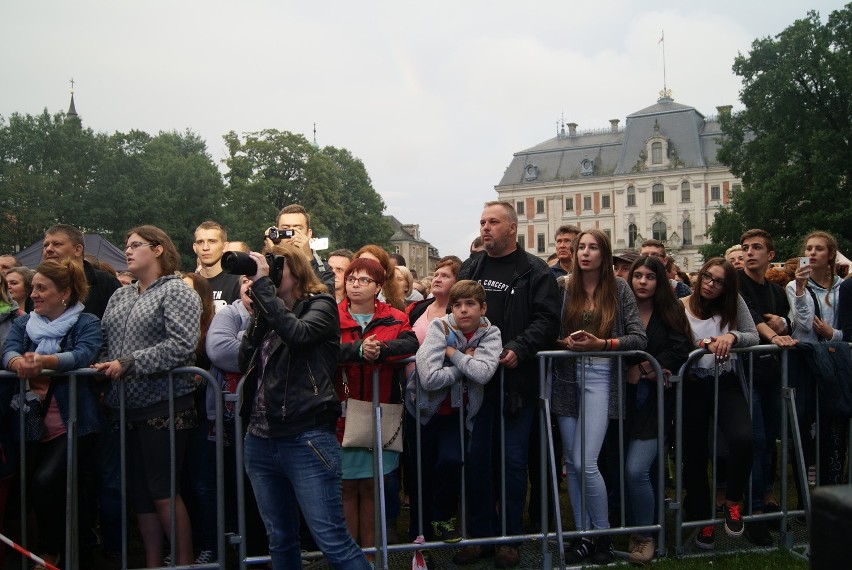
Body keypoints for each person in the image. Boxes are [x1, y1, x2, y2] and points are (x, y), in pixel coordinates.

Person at [237, 241, 369, 569]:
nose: (263, 276)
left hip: (305, 438)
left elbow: (297, 335)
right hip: (260, 440)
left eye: (273, 268)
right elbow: (244, 360)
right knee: (279, 538)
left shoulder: (320, 305)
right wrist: (261, 311)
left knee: (332, 540)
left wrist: (265, 291)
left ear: (294, 271)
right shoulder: (270, 311)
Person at [454, 201, 560, 568]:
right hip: (477, 385)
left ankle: (509, 539)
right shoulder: (472, 267)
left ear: (512, 227)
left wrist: (520, 347)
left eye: (493, 222)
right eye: (482, 221)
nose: (485, 228)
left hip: (517, 384)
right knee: (478, 461)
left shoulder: (534, 270)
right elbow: (456, 311)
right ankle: (481, 537)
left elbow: (548, 320)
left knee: (514, 462)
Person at [94, 225, 201, 567]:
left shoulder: (178, 292)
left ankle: (182, 563)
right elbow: (105, 341)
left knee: (163, 493)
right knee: (140, 496)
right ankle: (153, 564)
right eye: (126, 245)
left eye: (136, 245)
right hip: (124, 409)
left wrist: (129, 364)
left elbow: (182, 346)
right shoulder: (120, 295)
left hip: (165, 406)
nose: (127, 250)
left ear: (158, 250)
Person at [551, 229, 646, 565]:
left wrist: (602, 344)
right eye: (581, 248)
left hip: (603, 376)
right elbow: (551, 333)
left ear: (604, 254)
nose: (585, 253)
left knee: (587, 463)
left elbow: (638, 338)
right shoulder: (563, 287)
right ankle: (584, 536)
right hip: (565, 377)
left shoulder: (619, 288)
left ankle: (601, 534)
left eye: (592, 248)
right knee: (573, 466)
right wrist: (566, 343)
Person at [3, 259, 103, 570]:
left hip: (73, 423)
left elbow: (86, 353)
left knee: (47, 483)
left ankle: (53, 552)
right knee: (34, 486)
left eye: (42, 288)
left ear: (65, 293)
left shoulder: (85, 321)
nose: (33, 294)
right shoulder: (23, 323)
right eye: (32, 287)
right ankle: (66, 548)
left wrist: (47, 361)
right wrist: (18, 363)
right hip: (28, 423)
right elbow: (9, 350)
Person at [405, 280, 502, 544]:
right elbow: (429, 377)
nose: (463, 310)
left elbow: (483, 373)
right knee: (420, 471)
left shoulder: (491, 333)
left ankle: (441, 516)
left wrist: (452, 354)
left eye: (470, 304)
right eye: (457, 305)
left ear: (483, 308)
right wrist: (465, 362)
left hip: (457, 414)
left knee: (452, 460)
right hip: (424, 410)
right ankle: (418, 532)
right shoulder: (440, 326)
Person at [336, 257, 418, 558]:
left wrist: (380, 350)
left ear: (378, 286)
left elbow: (410, 344)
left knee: (372, 488)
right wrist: (358, 351)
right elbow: (325, 349)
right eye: (351, 279)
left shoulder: (395, 317)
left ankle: (369, 557)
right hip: (341, 419)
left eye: (364, 280)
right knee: (346, 489)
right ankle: (349, 559)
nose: (355, 284)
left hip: (381, 412)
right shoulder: (331, 316)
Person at [681, 258, 758, 550]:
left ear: (728, 286)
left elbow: (752, 334)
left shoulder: (733, 303)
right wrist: (699, 347)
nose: (710, 285)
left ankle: (733, 501)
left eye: (718, 281)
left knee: (743, 436)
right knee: (695, 455)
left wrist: (731, 336)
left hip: (725, 381)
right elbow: (675, 343)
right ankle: (703, 522)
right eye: (707, 277)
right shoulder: (681, 304)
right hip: (692, 384)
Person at [623, 255, 690, 564]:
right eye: (638, 276)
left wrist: (648, 369)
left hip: (657, 402)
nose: (643, 282)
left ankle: (644, 535)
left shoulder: (671, 310)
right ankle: (648, 524)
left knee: (636, 469)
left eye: (650, 276)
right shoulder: (621, 310)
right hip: (622, 400)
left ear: (659, 280)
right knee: (642, 470)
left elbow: (680, 348)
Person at [738, 229, 797, 546]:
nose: (749, 252)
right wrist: (774, 335)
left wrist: (783, 326)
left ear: (770, 254)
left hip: (772, 375)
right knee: (756, 440)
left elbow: (785, 318)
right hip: (748, 376)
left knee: (771, 440)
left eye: (756, 248)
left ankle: (768, 498)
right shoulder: (738, 284)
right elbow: (754, 319)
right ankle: (754, 510)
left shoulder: (775, 290)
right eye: (746, 247)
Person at [786, 231, 847, 486]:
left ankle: (833, 479)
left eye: (818, 249)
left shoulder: (843, 287)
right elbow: (802, 323)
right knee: (806, 421)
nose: (811, 253)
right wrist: (800, 289)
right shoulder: (794, 285)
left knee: (835, 422)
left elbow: (845, 329)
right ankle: (806, 484)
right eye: (808, 248)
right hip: (806, 362)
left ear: (830, 254)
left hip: (836, 362)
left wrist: (833, 334)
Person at [179, 271, 218, 564]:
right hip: (172, 414)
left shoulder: (211, 327)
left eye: (187, 291)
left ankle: (210, 545)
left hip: (202, 415)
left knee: (202, 483)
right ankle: (182, 547)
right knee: (177, 484)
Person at [42, 224, 121, 319]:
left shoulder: (105, 283)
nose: (48, 249)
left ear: (77, 250)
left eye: (57, 244)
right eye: (45, 245)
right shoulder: (38, 285)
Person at [269, 204, 335, 291]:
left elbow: (325, 298)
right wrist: (271, 249)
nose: (292, 235)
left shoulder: (324, 269)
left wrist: (308, 259)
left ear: (309, 234)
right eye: (285, 229)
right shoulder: (267, 264)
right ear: (277, 233)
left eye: (298, 229)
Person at [193, 221, 241, 313]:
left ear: (225, 246)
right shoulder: (189, 284)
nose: (205, 247)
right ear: (195, 248)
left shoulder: (237, 282)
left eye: (212, 241)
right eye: (200, 242)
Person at [353, 245, 406, 311]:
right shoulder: (342, 304)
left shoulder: (395, 306)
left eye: (371, 265)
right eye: (360, 263)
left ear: (384, 272)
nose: (364, 269)